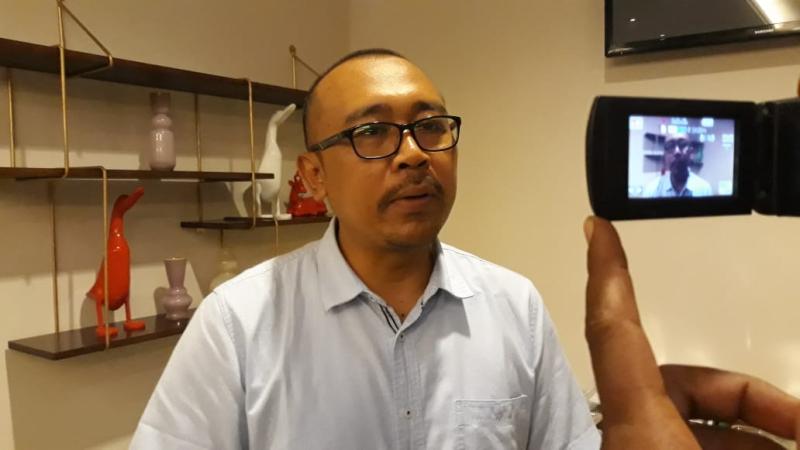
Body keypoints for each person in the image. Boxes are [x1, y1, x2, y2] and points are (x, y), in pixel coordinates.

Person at [131, 50, 799, 449]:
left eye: (431, 126)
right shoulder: (238, 322)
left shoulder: (513, 305)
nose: (414, 154)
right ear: (313, 175)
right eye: (372, 133)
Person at [642, 132, 713, 198]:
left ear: (691, 153)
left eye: (683, 145)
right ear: (665, 156)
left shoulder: (705, 190)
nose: (677, 152)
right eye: (670, 146)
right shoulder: (651, 191)